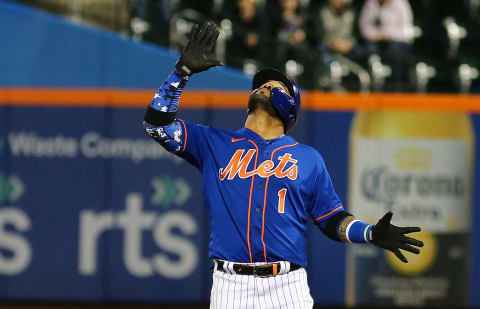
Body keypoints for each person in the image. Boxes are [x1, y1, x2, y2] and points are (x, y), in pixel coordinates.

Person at [143, 22, 423, 308]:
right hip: (230, 286)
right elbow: (157, 125)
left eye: (274, 87)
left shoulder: (308, 158)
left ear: (291, 108)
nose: (264, 86)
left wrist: (370, 233)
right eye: (262, 85)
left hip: (287, 286)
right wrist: (182, 72)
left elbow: (331, 219)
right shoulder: (212, 143)